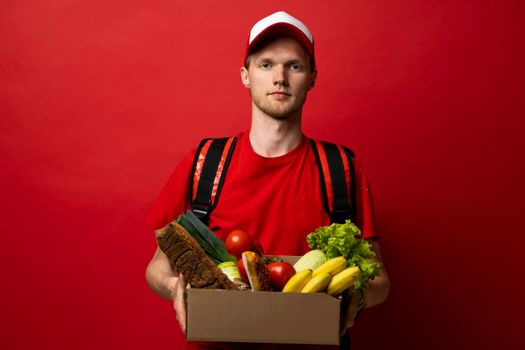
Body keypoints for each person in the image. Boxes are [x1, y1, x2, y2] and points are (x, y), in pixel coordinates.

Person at [145, 11, 390, 350]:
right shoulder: (205, 162)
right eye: (265, 65)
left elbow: (378, 278)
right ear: (246, 76)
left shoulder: (340, 168)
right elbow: (157, 266)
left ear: (313, 77)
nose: (279, 78)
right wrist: (174, 286)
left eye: (294, 66)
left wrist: (356, 297)